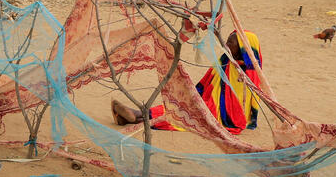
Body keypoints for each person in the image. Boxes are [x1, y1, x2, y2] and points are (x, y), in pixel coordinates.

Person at [110, 30, 263, 135]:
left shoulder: (249, 72)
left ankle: (137, 115)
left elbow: (238, 106)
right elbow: (207, 84)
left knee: (185, 114)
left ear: (244, 48)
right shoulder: (226, 61)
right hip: (208, 102)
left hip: (223, 114)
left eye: (231, 43)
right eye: (227, 42)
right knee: (181, 106)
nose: (226, 46)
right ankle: (136, 115)